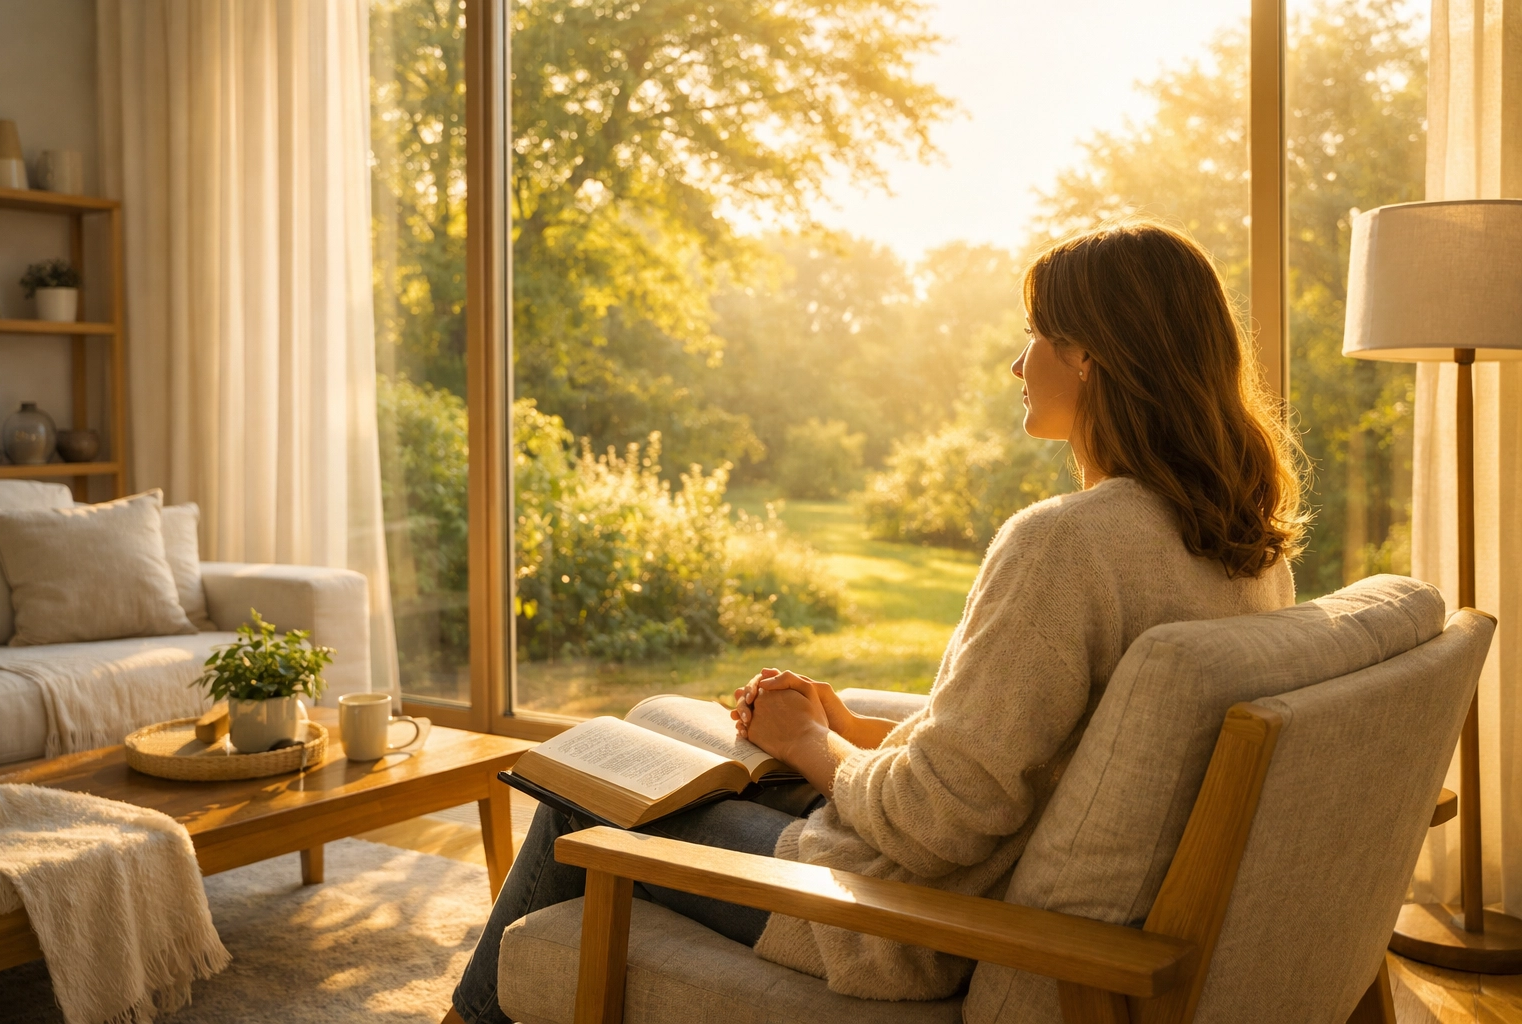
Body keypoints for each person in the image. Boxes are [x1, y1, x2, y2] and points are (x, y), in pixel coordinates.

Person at [443, 221, 1305, 1023]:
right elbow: (1050, 749)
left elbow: (938, 828)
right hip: (989, 879)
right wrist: (849, 728)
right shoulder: (1248, 549)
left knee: (580, 792)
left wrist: (813, 747)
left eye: (1035, 336)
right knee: (649, 722)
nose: (1017, 364)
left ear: (1088, 359)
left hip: (909, 921)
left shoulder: (1066, 546)